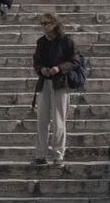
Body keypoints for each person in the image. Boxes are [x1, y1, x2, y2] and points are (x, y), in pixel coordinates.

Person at [32, 12, 79, 168]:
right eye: (42, 24)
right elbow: (36, 62)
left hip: (60, 84)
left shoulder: (66, 41)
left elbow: (74, 61)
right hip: (45, 82)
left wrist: (58, 68)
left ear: (54, 24)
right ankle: (40, 154)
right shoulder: (41, 42)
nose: (43, 27)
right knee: (42, 120)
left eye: (46, 23)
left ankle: (58, 154)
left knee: (59, 121)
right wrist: (42, 70)